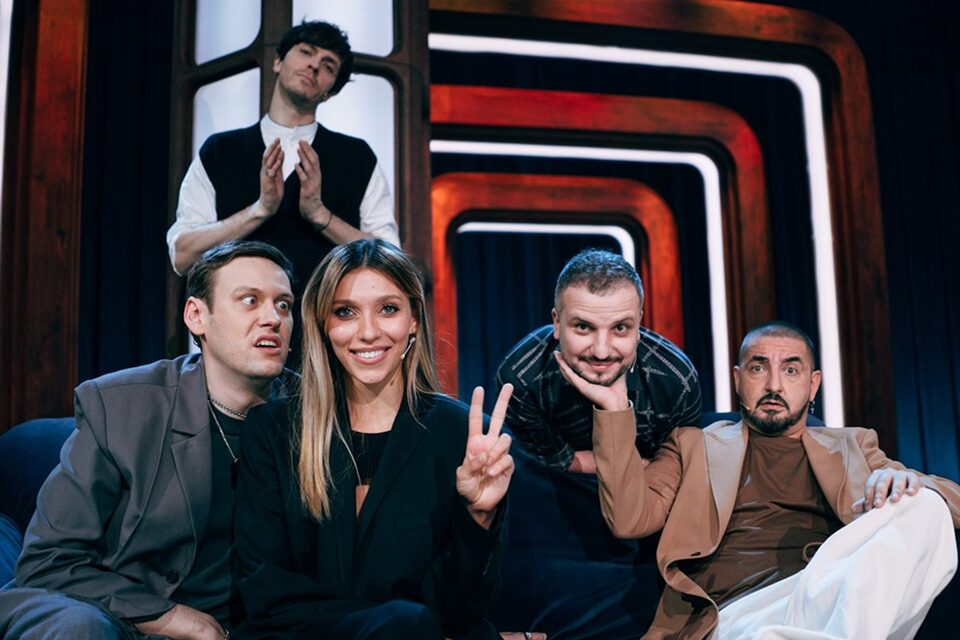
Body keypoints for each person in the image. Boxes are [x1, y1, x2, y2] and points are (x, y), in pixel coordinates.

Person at [583, 321, 960, 639]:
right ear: (738, 379)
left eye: (791, 371)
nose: (774, 385)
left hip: (829, 593)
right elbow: (629, 519)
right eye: (758, 368)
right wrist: (613, 410)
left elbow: (950, 504)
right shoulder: (692, 444)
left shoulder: (854, 445)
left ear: (813, 385)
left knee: (924, 503)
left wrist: (904, 479)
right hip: (738, 615)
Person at [0, 240, 297, 639]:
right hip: (113, 614)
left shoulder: (312, 413)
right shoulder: (120, 405)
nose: (272, 318)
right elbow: (49, 561)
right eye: (249, 300)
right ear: (196, 316)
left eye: (284, 305)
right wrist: (176, 619)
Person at [234, 239, 514, 639]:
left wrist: (479, 516)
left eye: (388, 309)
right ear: (323, 324)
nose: (368, 332)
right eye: (345, 312)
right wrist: (390, 626)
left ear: (413, 320)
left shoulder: (466, 439)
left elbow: (461, 610)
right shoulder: (273, 431)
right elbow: (266, 594)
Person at [167, 20, 399, 291]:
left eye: (328, 66)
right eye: (306, 52)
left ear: (330, 92)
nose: (314, 65)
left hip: (325, 315)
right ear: (278, 61)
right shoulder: (219, 150)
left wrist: (321, 215)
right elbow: (182, 255)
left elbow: (392, 260)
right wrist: (259, 210)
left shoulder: (357, 157)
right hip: (238, 314)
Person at [496, 248, 701, 474]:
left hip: (649, 487)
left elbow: (675, 469)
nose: (602, 352)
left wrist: (617, 414)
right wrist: (621, 463)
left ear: (639, 324)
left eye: (620, 327)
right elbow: (550, 463)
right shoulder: (521, 378)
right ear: (557, 323)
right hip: (557, 482)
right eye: (584, 327)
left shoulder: (677, 380)